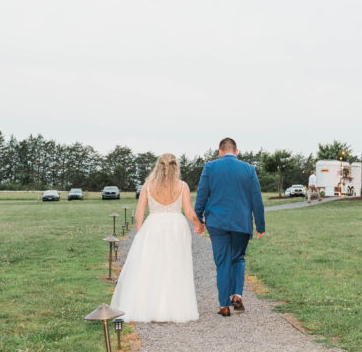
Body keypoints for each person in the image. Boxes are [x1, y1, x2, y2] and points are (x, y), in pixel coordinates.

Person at [110, 153, 201, 323]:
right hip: (176, 226)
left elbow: (139, 213)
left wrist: (140, 232)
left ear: (158, 166)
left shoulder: (148, 185)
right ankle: (173, 308)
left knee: (152, 264)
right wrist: (198, 224)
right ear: (176, 167)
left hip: (153, 226)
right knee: (175, 265)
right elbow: (189, 211)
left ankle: (151, 306)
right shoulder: (182, 186)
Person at [194, 137, 266, 317]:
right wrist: (260, 225)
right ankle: (237, 295)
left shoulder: (210, 167)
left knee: (222, 262)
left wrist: (199, 219)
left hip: (217, 223)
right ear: (237, 152)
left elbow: (202, 195)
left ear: (220, 151)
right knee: (238, 258)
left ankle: (224, 305)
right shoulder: (249, 169)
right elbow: (257, 199)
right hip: (241, 222)